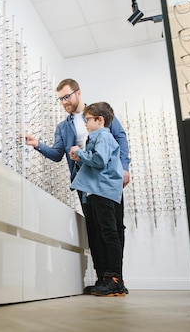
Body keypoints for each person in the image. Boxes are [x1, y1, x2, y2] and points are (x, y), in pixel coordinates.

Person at [24, 79, 131, 294]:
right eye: (61, 99)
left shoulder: (98, 114)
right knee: (94, 230)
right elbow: (56, 154)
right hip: (86, 185)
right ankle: (103, 279)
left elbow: (120, 137)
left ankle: (116, 278)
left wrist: (125, 167)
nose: (64, 102)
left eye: (67, 97)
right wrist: (37, 145)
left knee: (114, 229)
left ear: (78, 93)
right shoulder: (63, 127)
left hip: (109, 180)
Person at [69, 102, 125, 296]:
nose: (86, 124)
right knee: (99, 235)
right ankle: (103, 278)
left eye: (88, 120)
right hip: (95, 191)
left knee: (108, 234)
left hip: (103, 192)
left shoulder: (103, 136)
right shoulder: (98, 137)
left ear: (99, 120)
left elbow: (99, 160)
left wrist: (79, 153)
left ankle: (114, 279)